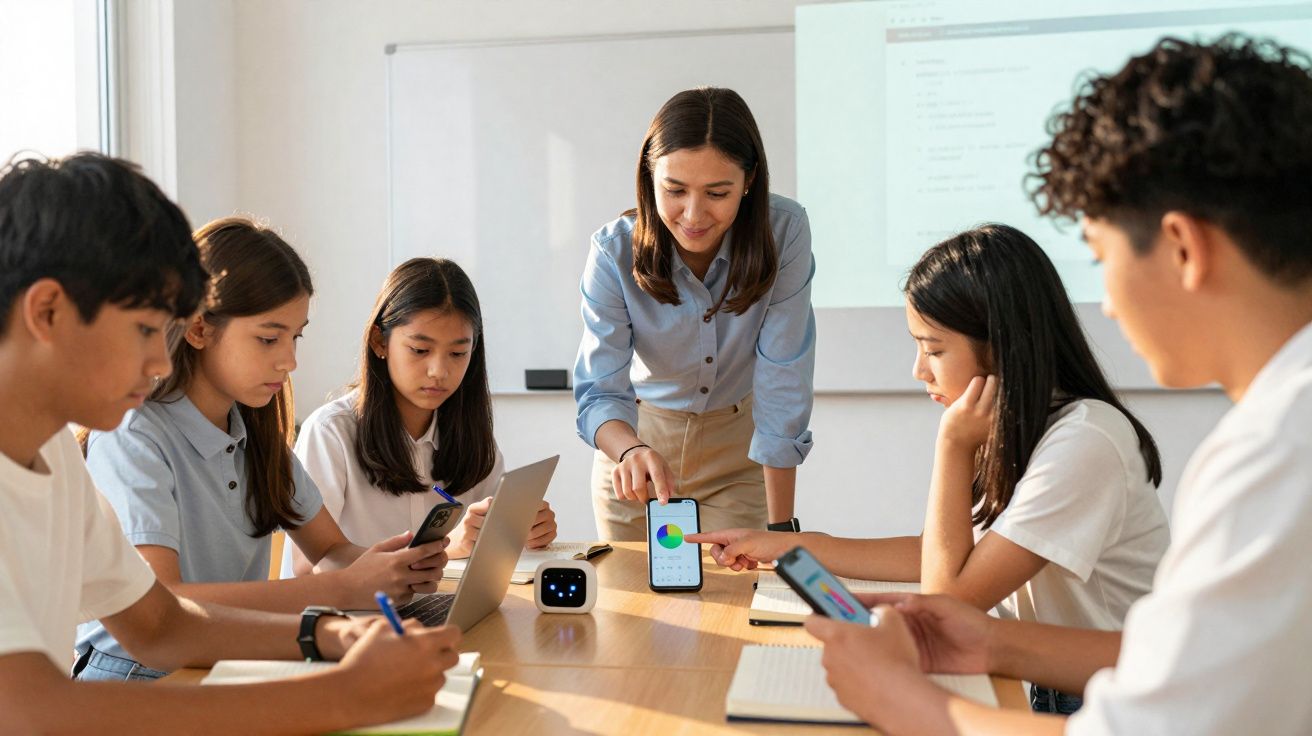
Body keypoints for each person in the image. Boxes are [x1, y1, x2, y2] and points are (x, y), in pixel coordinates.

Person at [803, 34, 1312, 735]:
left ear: (1182, 248)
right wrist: (994, 642)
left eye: (1101, 258)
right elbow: (1189, 665)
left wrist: (894, 696)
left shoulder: (1278, 451)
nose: (1109, 305)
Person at [0, 153, 459, 733]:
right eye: (144, 329)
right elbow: (27, 711)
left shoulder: (55, 455)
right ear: (47, 312)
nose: (160, 359)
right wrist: (341, 696)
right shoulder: (127, 437)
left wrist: (330, 633)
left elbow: (160, 624)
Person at [692, 224, 1169, 714]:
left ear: (1002, 347)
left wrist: (952, 445)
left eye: (934, 350)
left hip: (1114, 704)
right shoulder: (1020, 427)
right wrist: (788, 546)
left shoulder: (1084, 441)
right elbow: (936, 555)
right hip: (1050, 688)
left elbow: (949, 603)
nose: (919, 370)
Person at [75, 217, 449, 682]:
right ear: (198, 329)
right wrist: (344, 588)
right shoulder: (134, 435)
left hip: (224, 661)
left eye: (296, 337)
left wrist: (390, 568)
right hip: (136, 676)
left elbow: (330, 547)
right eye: (269, 339)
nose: (290, 361)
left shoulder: (254, 431)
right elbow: (164, 602)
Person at [574, 86, 816, 540]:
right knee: (629, 587)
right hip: (638, 453)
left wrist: (781, 528)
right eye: (675, 190)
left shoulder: (784, 231)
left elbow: (784, 379)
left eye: (717, 193)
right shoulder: (613, 251)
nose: (693, 214)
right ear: (650, 177)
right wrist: (628, 451)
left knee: (736, 585)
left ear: (749, 181)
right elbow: (599, 389)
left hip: (737, 455)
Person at [288, 257, 556, 574]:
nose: (439, 371)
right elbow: (307, 569)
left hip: (445, 600)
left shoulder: (471, 437)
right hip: (363, 606)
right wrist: (444, 548)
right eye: (419, 350)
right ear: (379, 341)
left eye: (458, 353)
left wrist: (524, 533)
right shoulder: (331, 433)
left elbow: (493, 553)